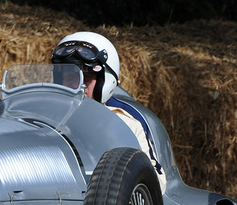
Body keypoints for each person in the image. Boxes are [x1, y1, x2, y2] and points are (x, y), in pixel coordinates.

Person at [51, 31, 166, 191]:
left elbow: (156, 183)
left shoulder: (126, 124)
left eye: (88, 76)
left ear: (105, 82)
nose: (78, 85)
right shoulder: (44, 119)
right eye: (71, 76)